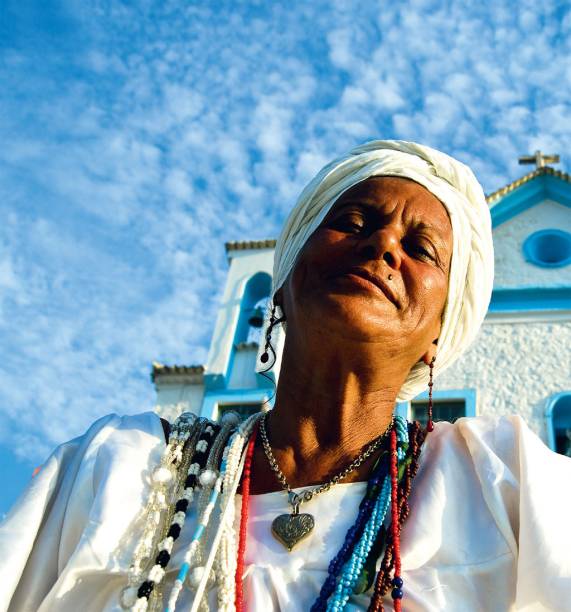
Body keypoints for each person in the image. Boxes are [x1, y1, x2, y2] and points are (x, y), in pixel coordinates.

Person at [1, 141, 570, 612]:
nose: (383, 245)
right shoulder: (119, 467)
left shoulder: (503, 484)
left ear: (439, 337)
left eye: (422, 249)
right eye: (353, 222)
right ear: (284, 276)